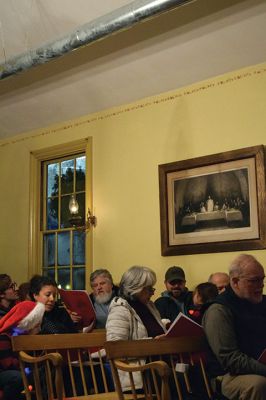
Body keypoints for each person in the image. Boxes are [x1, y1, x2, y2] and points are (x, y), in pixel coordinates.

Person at [203, 254, 266, 400]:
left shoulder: (260, 302)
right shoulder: (219, 310)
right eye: (254, 281)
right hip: (228, 376)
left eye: (262, 279)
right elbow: (231, 360)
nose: (261, 285)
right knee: (258, 384)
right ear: (235, 282)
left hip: (258, 367)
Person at [106, 265, 166, 392]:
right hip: (138, 374)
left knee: (194, 374)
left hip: (159, 366)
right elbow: (116, 348)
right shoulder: (120, 309)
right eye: (149, 288)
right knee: (180, 382)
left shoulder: (149, 306)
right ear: (136, 289)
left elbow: (153, 329)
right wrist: (153, 343)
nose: (153, 292)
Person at [0, 300, 45, 400]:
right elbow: (8, 365)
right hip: (5, 371)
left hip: (23, 368)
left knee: (44, 373)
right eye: (35, 322)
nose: (38, 325)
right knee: (17, 377)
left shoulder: (27, 336)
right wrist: (30, 364)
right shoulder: (4, 336)